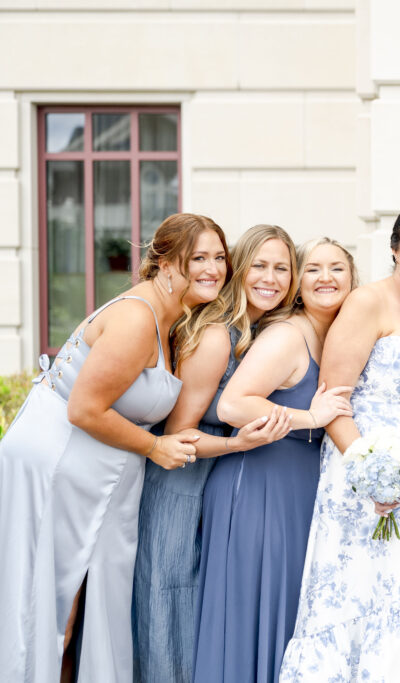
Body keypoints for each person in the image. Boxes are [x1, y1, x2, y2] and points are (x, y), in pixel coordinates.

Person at [0, 213, 227, 682]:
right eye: (198, 258)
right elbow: (84, 409)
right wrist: (154, 446)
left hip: (91, 473)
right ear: (164, 263)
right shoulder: (136, 317)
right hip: (59, 467)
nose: (211, 268)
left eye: (219, 257)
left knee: (75, 608)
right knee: (49, 607)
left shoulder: (169, 316)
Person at [280, 205, 400, 683]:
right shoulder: (367, 302)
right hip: (361, 476)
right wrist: (367, 469)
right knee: (351, 593)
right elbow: (332, 397)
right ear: (394, 248)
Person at [132, 224, 296, 683]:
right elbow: (178, 433)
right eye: (259, 266)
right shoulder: (217, 336)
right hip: (179, 486)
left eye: (282, 268)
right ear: (240, 270)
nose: (270, 278)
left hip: (214, 486)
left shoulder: (260, 332)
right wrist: (235, 443)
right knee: (169, 604)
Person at [192, 236, 356, 683]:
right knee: (253, 617)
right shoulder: (287, 335)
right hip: (258, 487)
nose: (326, 278)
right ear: (300, 283)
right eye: (314, 269)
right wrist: (311, 416)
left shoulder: (337, 338)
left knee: (288, 617)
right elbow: (233, 405)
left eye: (337, 268)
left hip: (301, 487)